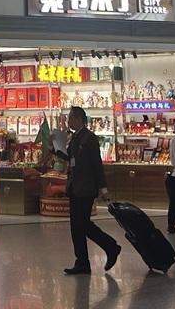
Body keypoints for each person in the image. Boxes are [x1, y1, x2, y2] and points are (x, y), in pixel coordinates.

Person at [52, 106, 121, 275]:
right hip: (75, 187)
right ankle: (82, 262)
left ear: (78, 119)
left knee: (82, 224)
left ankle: (110, 246)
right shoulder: (75, 137)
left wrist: (103, 188)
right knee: (76, 226)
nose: (68, 121)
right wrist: (54, 146)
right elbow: (69, 157)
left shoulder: (89, 138)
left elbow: (97, 164)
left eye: (70, 117)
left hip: (86, 187)